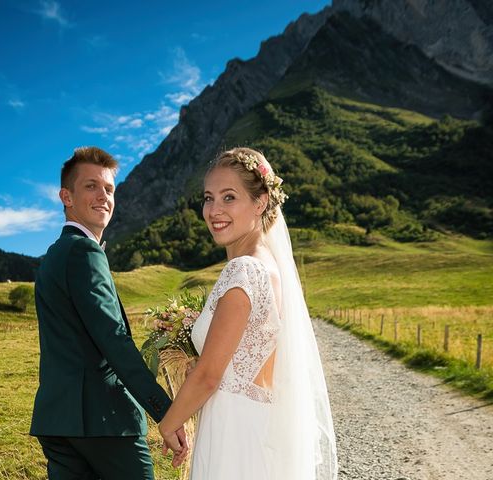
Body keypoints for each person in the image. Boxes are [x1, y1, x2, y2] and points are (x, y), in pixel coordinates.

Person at [158, 147, 338, 479]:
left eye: (229, 198)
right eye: (208, 198)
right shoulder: (270, 267)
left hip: (233, 432)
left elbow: (210, 375)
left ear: (260, 202)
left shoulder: (243, 270)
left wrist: (169, 423)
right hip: (257, 425)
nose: (214, 210)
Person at [30, 146, 187, 480]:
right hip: (104, 421)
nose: (103, 196)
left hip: (57, 421)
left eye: (109, 189)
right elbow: (114, 342)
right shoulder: (84, 251)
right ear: (66, 196)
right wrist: (165, 411)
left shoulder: (52, 257)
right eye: (91, 186)